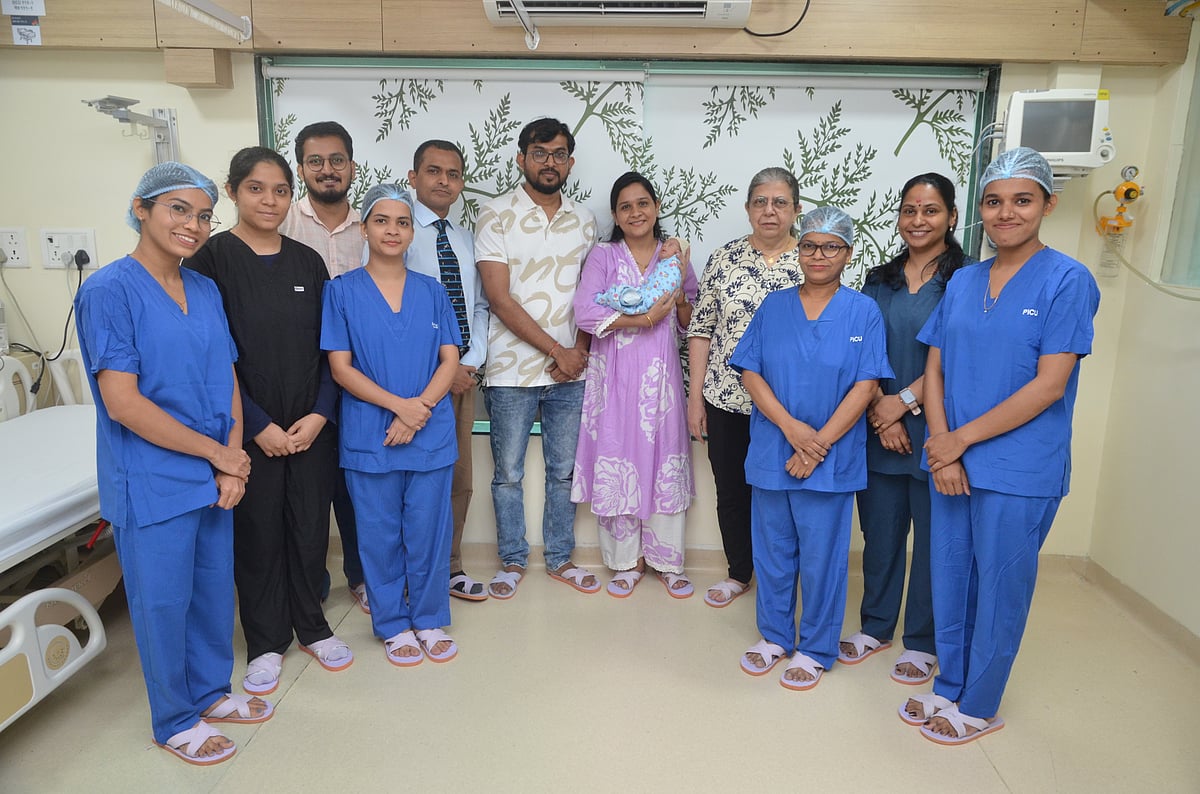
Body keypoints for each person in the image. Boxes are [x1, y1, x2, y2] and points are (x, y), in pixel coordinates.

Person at [901, 147, 1100, 744]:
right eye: (994, 201)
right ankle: (950, 683)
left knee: (1000, 585)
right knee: (951, 573)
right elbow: (934, 369)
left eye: (1022, 200)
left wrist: (956, 440)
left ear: (1047, 204)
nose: (1006, 212)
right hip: (953, 456)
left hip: (1019, 465)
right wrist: (942, 443)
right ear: (979, 212)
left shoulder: (1068, 279)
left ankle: (980, 704)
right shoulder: (961, 281)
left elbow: (1049, 384)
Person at [74, 162, 270, 765]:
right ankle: (175, 718)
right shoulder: (108, 290)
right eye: (178, 210)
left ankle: (210, 692)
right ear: (141, 208)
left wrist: (232, 461)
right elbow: (123, 402)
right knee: (163, 603)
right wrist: (220, 455)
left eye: (205, 215)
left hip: (214, 471)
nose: (194, 224)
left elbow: (227, 377)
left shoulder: (205, 289)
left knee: (212, 592)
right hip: (152, 478)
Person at [185, 147, 349, 699]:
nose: (270, 200)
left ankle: (314, 627)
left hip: (309, 429)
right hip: (246, 431)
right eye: (256, 188)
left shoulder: (308, 262)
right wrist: (255, 425)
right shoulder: (208, 262)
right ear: (232, 192)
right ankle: (264, 642)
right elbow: (214, 359)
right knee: (256, 537)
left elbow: (333, 350)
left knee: (308, 529)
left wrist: (321, 415)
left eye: (280, 190)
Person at [730, 206, 892, 691]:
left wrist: (816, 443)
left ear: (846, 253)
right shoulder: (774, 306)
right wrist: (793, 430)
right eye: (809, 245)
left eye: (831, 247)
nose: (818, 255)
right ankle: (775, 637)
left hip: (832, 458)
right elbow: (750, 371)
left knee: (823, 558)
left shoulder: (863, 310)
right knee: (774, 552)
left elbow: (867, 385)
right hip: (774, 450)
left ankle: (817, 648)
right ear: (798, 250)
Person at [321, 184, 462, 666]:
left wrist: (418, 407)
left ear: (411, 232)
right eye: (382, 221)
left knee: (428, 530)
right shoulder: (339, 292)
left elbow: (450, 358)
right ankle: (393, 623)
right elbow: (341, 368)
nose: (393, 230)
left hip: (429, 431)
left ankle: (427, 617)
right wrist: (400, 408)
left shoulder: (433, 291)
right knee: (378, 535)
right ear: (364, 228)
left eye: (403, 222)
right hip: (371, 434)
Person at [838, 173, 968, 685]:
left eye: (930, 211)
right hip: (879, 428)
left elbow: (959, 356)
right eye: (909, 210)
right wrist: (880, 408)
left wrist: (904, 404)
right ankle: (875, 626)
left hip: (937, 426)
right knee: (882, 535)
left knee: (937, 540)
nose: (918, 220)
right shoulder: (878, 280)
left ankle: (922, 642)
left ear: (951, 217)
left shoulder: (969, 281)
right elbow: (861, 350)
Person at [475, 117, 600, 599]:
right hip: (510, 368)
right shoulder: (495, 214)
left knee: (564, 471)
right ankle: (511, 559)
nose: (550, 162)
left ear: (570, 161)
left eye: (559, 153)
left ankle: (560, 558)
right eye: (540, 152)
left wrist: (580, 353)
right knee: (507, 473)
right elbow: (499, 298)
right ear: (521, 158)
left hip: (573, 369)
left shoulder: (585, 219)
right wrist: (557, 351)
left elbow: (595, 296)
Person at [571, 171, 699, 598]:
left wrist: (679, 295)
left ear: (656, 208)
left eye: (643, 203)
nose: (635, 212)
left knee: (664, 464)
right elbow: (585, 314)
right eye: (625, 206)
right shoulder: (604, 257)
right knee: (618, 461)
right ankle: (626, 562)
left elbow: (690, 323)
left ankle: (666, 560)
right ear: (615, 214)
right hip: (614, 383)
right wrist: (641, 319)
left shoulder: (674, 256)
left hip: (662, 385)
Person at [686, 167, 805, 608]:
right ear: (748, 208)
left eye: (779, 202)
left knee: (783, 494)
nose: (769, 211)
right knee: (732, 491)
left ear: (796, 208)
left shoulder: (812, 259)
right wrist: (695, 397)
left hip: (788, 406)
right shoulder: (724, 258)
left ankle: (782, 577)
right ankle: (740, 573)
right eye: (760, 202)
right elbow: (701, 330)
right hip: (725, 399)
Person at [279, 120, 367, 613]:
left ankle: (361, 576)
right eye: (316, 161)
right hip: (299, 376)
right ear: (302, 169)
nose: (328, 170)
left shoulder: (373, 226)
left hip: (361, 376)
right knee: (308, 495)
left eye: (337, 160)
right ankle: (309, 589)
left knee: (355, 488)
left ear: (352, 166)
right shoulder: (283, 222)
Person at [405, 139, 490, 601]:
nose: (443, 181)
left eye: (453, 173)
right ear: (413, 177)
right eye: (433, 171)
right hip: (412, 382)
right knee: (414, 480)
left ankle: (450, 567)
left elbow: (477, 306)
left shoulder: (462, 238)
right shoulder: (395, 230)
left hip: (462, 378)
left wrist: (469, 360)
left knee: (458, 478)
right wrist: (444, 367)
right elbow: (391, 313)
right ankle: (409, 573)